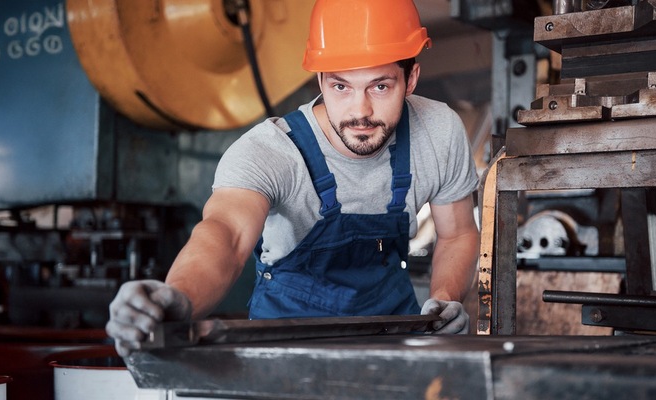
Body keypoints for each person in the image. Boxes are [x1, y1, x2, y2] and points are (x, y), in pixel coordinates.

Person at [106, 0, 480, 356]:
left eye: (380, 86)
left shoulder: (438, 131)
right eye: (341, 86)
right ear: (319, 80)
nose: (360, 111)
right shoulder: (269, 152)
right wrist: (178, 298)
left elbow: (458, 232)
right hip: (284, 350)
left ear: (411, 78)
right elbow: (226, 236)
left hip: (394, 343)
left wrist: (443, 302)